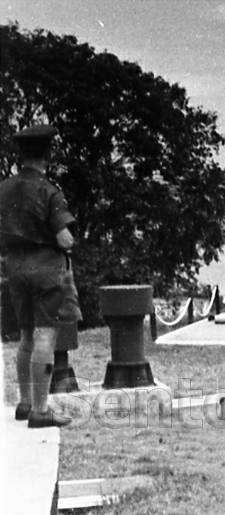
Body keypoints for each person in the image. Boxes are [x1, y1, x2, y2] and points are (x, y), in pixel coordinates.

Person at [0, 124, 82, 428]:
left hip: (14, 268)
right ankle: (40, 410)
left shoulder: (4, 189)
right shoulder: (49, 192)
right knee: (45, 335)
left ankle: (24, 403)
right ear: (48, 153)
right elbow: (64, 239)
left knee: (24, 337)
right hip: (46, 269)